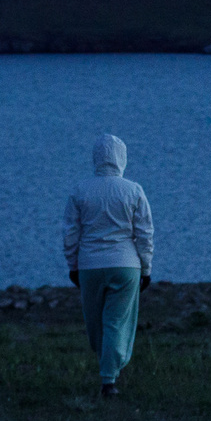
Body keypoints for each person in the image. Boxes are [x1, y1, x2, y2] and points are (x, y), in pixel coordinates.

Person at [63, 133, 154, 398]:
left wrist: (73, 265)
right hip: (126, 265)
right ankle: (109, 377)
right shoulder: (133, 190)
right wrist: (146, 269)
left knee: (95, 323)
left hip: (89, 264)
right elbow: (145, 233)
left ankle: (107, 375)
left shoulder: (80, 190)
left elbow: (70, 232)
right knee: (116, 321)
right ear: (122, 158)